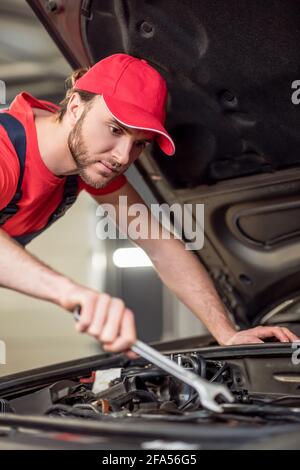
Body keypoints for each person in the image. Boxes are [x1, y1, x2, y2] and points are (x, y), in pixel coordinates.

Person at [0, 53, 297, 355]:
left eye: (139, 143)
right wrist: (72, 293)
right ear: (76, 107)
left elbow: (160, 244)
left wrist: (227, 333)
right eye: (115, 130)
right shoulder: (5, 149)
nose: (122, 157)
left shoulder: (86, 162)